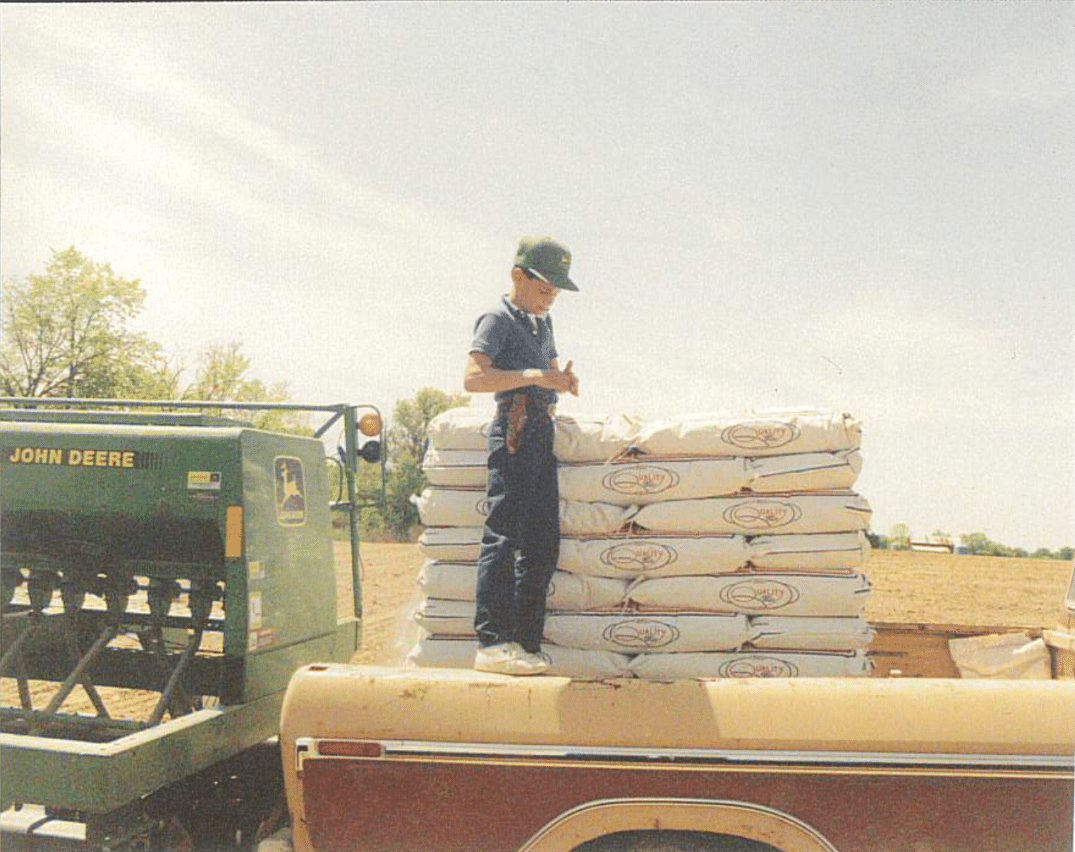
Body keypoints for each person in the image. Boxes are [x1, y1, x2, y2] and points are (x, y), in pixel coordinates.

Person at [463, 236, 580, 675]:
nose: (551, 299)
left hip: (541, 429)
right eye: (545, 289)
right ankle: (492, 643)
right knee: (504, 534)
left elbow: (545, 373)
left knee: (543, 542)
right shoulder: (497, 319)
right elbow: (475, 379)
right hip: (514, 427)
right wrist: (534, 375)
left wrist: (561, 382)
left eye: (556, 293)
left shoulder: (541, 325)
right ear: (518, 276)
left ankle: (526, 644)